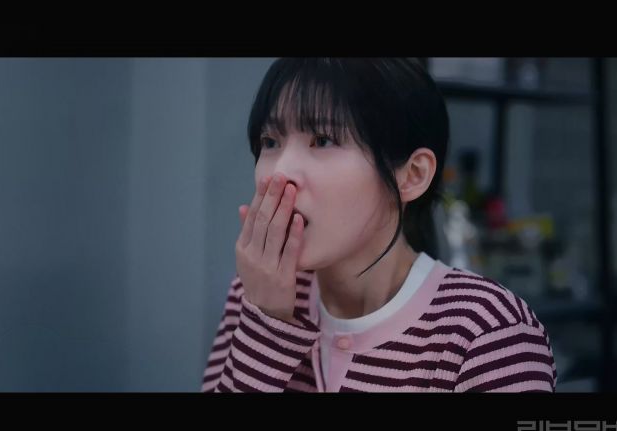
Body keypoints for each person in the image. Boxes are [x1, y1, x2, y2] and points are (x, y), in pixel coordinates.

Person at [201, 58, 556, 392]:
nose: (279, 173)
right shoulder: (258, 295)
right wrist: (266, 325)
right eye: (270, 142)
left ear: (412, 175)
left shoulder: (487, 332)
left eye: (322, 140)